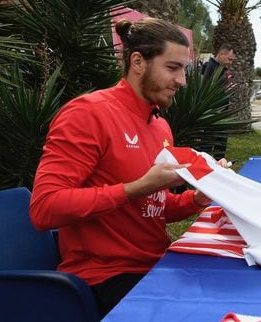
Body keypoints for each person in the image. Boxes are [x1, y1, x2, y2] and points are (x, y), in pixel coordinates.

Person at [30, 18, 229, 318]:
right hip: (107, 276)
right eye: (172, 68)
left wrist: (198, 198)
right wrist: (136, 188)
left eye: (183, 70)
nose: (182, 81)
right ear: (138, 62)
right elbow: (44, 209)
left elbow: (152, 207)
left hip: (156, 263)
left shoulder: (159, 124)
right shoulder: (88, 115)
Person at [200, 43, 236, 158]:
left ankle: (219, 163)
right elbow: (207, 89)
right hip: (212, 111)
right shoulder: (209, 67)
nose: (230, 62)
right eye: (229, 59)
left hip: (221, 111)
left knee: (220, 140)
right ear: (221, 54)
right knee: (209, 140)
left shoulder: (221, 69)